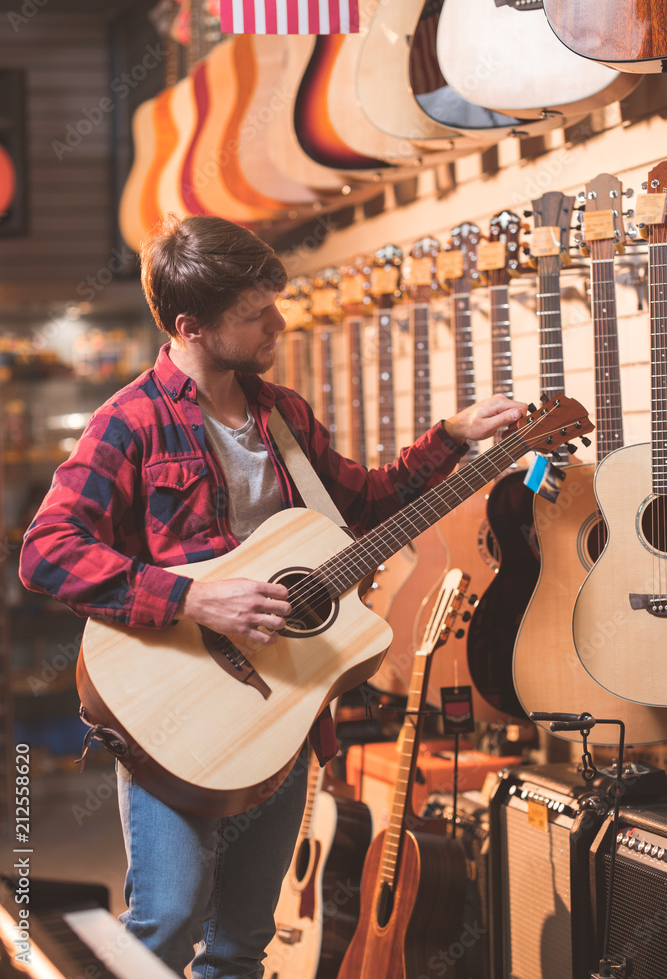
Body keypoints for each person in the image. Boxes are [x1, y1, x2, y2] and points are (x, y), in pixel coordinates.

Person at [19, 214, 527, 979]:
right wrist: (193, 601)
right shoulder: (129, 422)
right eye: (256, 315)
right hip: (179, 712)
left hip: (283, 710)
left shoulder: (280, 415)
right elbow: (46, 553)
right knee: (164, 921)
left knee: (240, 945)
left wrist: (450, 436)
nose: (278, 325)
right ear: (191, 327)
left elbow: (364, 503)